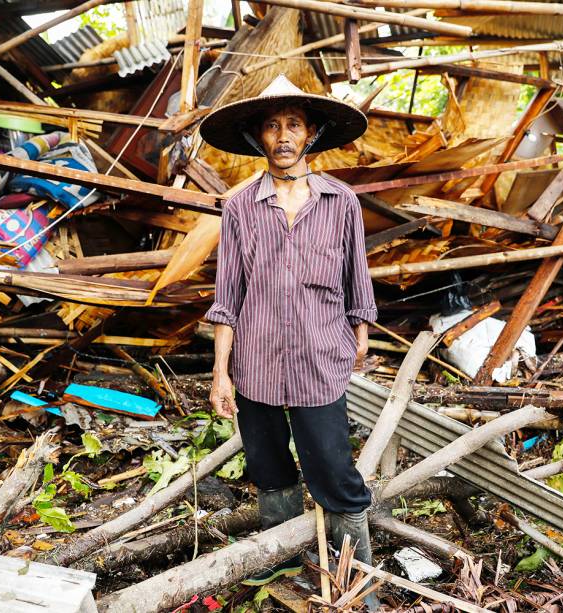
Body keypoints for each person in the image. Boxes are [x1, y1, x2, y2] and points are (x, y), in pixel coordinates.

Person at [200, 74, 379, 607]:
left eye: (293, 125)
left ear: (311, 134)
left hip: (320, 358)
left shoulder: (340, 202)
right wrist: (219, 372)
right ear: (259, 137)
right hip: (254, 362)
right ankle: (281, 573)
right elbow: (227, 294)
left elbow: (357, 277)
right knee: (269, 468)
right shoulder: (239, 208)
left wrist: (360, 332)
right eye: (273, 125)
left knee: (333, 470)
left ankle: (357, 582)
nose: (283, 135)